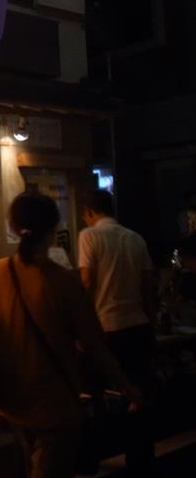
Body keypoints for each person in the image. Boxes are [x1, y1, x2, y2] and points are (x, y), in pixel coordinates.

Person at [0, 192, 139, 478]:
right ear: (54, 230)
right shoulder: (64, 281)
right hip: (55, 404)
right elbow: (94, 345)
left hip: (12, 400)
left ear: (13, 227)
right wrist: (127, 386)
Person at [78, 189, 155, 471]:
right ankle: (141, 458)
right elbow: (147, 288)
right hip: (137, 327)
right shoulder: (135, 238)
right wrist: (151, 323)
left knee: (93, 395)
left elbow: (87, 283)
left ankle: (91, 459)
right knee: (137, 395)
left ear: (89, 212)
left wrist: (80, 327)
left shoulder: (89, 236)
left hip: (106, 328)